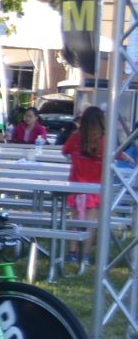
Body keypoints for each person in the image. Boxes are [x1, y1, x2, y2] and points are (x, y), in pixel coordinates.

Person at [63, 105, 106, 259]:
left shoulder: (75, 137)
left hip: (76, 186)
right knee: (90, 223)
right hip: (95, 187)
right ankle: (86, 256)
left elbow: (65, 151)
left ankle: (72, 253)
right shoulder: (104, 141)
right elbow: (117, 156)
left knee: (75, 221)